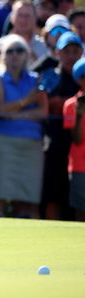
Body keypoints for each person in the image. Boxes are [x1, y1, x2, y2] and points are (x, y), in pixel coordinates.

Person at [0, 35, 47, 218]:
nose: (14, 55)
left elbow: (43, 112)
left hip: (31, 142)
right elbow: (1, 109)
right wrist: (28, 101)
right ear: (2, 55)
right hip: (3, 140)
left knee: (29, 201)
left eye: (19, 50)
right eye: (9, 51)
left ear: (27, 54)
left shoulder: (36, 78)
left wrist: (15, 113)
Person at [36, 32, 83, 220]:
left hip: (78, 147)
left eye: (75, 51)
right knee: (53, 194)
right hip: (56, 144)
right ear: (58, 53)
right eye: (66, 51)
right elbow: (45, 101)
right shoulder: (50, 77)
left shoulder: (82, 77)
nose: (71, 56)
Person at [63, 57, 85, 221]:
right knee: (80, 213)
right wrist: (78, 115)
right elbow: (76, 139)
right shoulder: (71, 105)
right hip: (80, 166)